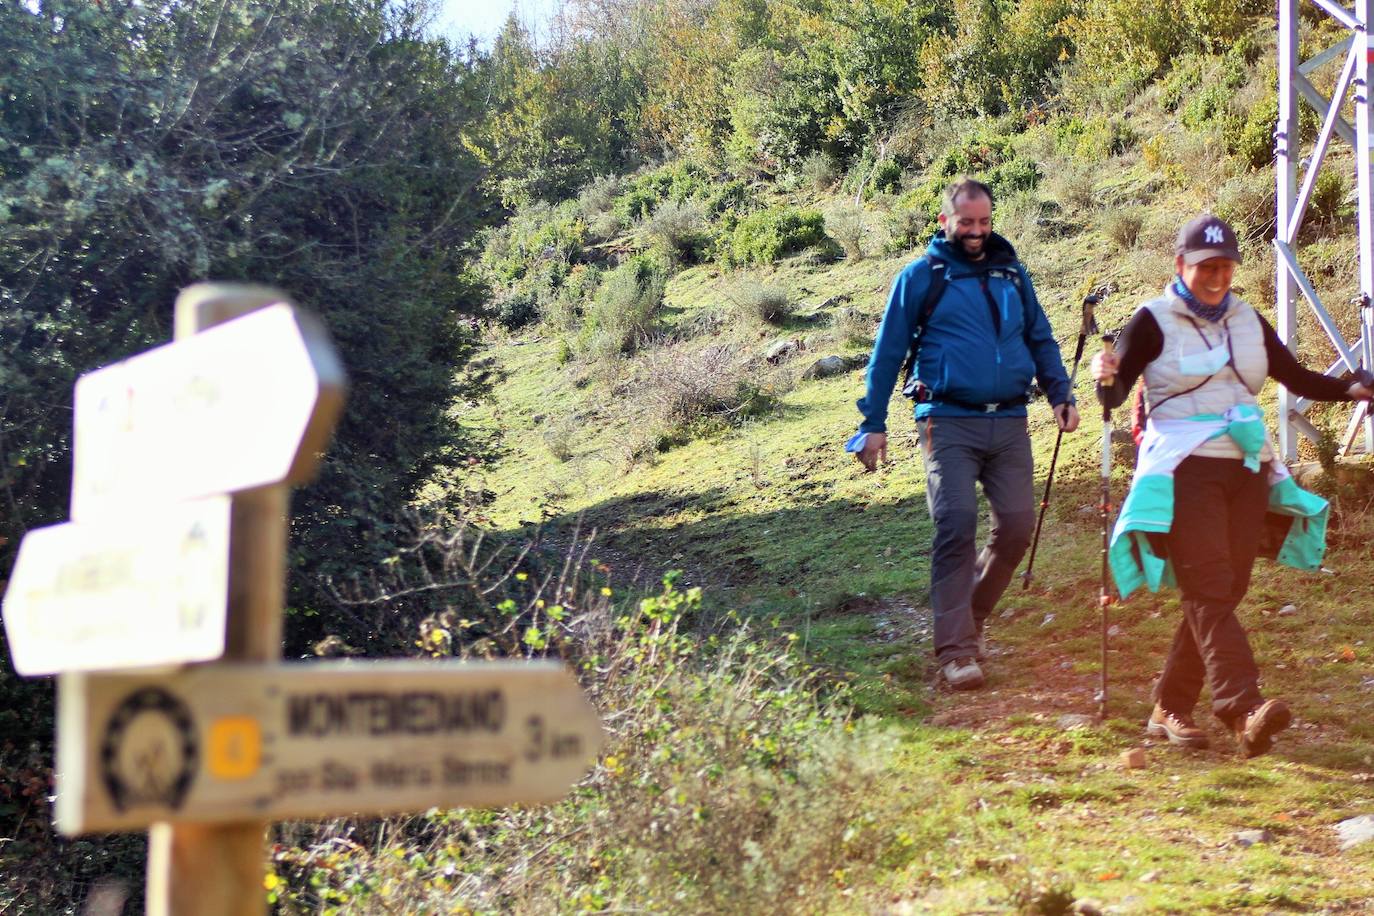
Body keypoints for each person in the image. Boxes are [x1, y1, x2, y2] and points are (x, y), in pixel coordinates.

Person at [1092, 213, 1374, 758]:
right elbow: (1113, 395)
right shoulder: (1151, 320)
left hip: (1246, 467)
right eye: (1205, 267)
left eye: (1225, 267)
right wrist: (1105, 376)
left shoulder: (1248, 320)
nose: (1217, 277)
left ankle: (1168, 705)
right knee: (1208, 587)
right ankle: (1242, 709)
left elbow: (1296, 377)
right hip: (1183, 467)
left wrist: (1352, 389)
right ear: (1181, 266)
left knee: (1224, 589)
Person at [852, 177, 1079, 691]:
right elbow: (887, 353)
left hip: (1009, 422)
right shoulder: (920, 277)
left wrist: (1060, 395)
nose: (976, 232)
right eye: (966, 223)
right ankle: (956, 650)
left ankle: (965, 618)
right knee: (955, 523)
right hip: (946, 420)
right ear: (945, 222)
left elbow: (1039, 338)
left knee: (1018, 528)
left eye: (984, 222)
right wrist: (873, 422)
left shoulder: (1012, 274)